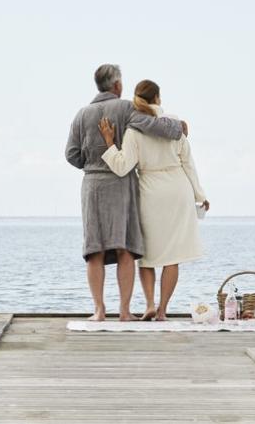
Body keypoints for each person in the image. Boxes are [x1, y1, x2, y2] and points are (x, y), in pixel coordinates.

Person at [65, 64, 186, 321]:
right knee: (125, 249)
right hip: (121, 184)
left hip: (92, 185)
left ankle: (99, 310)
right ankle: (124, 311)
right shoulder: (126, 108)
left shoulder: (81, 114)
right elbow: (152, 125)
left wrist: (92, 165)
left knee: (94, 249)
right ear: (118, 85)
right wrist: (178, 128)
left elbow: (71, 154)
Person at [98, 79, 208, 321]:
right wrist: (200, 194)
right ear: (158, 98)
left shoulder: (133, 131)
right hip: (178, 189)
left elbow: (121, 166)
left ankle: (149, 304)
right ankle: (162, 311)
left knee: (147, 254)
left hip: (149, 192)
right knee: (173, 255)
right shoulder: (174, 125)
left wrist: (109, 143)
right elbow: (188, 163)